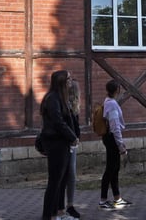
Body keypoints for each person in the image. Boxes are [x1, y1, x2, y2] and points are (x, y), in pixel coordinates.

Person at [40, 70, 79, 220]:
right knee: (54, 182)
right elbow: (58, 122)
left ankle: (58, 213)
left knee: (61, 180)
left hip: (63, 144)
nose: (71, 81)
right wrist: (72, 136)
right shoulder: (52, 99)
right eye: (68, 79)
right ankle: (48, 215)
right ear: (62, 82)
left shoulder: (61, 98)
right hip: (56, 144)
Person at [98, 79, 131, 210]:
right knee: (110, 169)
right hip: (112, 138)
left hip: (109, 138)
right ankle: (103, 200)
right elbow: (115, 125)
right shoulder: (111, 104)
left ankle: (117, 198)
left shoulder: (108, 101)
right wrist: (120, 144)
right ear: (117, 90)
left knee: (114, 168)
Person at [64, 78, 82, 219]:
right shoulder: (64, 104)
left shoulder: (74, 106)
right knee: (68, 175)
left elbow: (76, 124)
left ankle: (69, 205)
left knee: (71, 174)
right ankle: (63, 206)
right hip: (65, 143)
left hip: (72, 143)